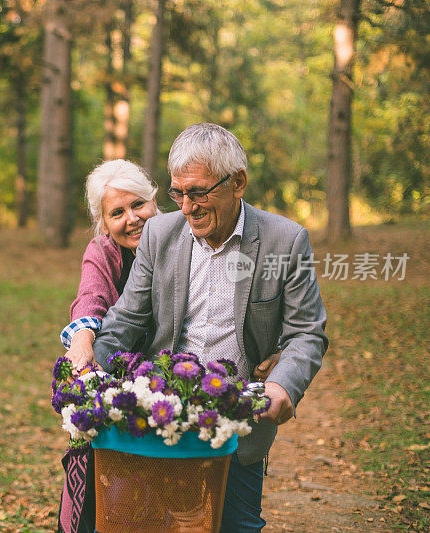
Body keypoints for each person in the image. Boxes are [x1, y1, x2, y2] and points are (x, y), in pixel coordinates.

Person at [91, 123, 328, 532]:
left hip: (238, 424)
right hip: (161, 420)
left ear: (238, 183)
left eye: (198, 193)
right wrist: (89, 371)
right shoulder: (159, 235)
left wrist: (283, 385)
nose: (186, 207)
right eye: (177, 193)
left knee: (237, 525)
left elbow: (307, 331)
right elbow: (126, 318)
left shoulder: (285, 241)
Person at [57, 159, 160, 533]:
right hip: (120, 383)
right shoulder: (103, 252)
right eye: (117, 212)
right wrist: (82, 341)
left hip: (169, 381)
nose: (131, 218)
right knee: (106, 497)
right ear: (104, 223)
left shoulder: (182, 239)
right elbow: (90, 298)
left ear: (154, 201)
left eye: (138, 205)